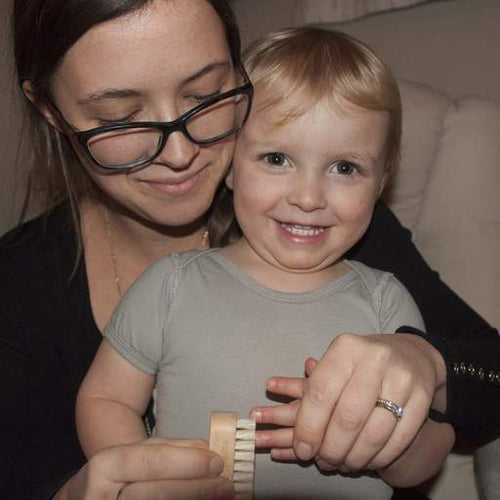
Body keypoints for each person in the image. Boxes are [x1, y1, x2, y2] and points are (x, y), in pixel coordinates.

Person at [0, 0, 497, 498]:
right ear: (52, 111)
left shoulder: (339, 230)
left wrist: (426, 364)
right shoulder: (20, 293)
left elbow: (487, 380)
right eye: (120, 116)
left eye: (204, 93)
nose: (180, 154)